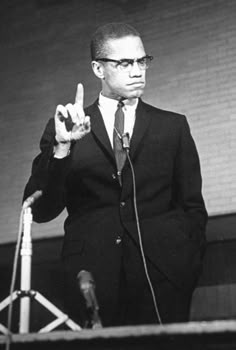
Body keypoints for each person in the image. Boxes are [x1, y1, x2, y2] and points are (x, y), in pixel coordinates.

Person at [23, 22, 208, 327]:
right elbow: (40, 210)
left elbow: (192, 205)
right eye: (124, 63)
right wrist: (61, 149)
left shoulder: (173, 127)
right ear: (98, 69)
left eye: (142, 61)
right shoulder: (65, 128)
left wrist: (186, 265)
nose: (137, 71)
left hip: (164, 278)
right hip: (91, 279)